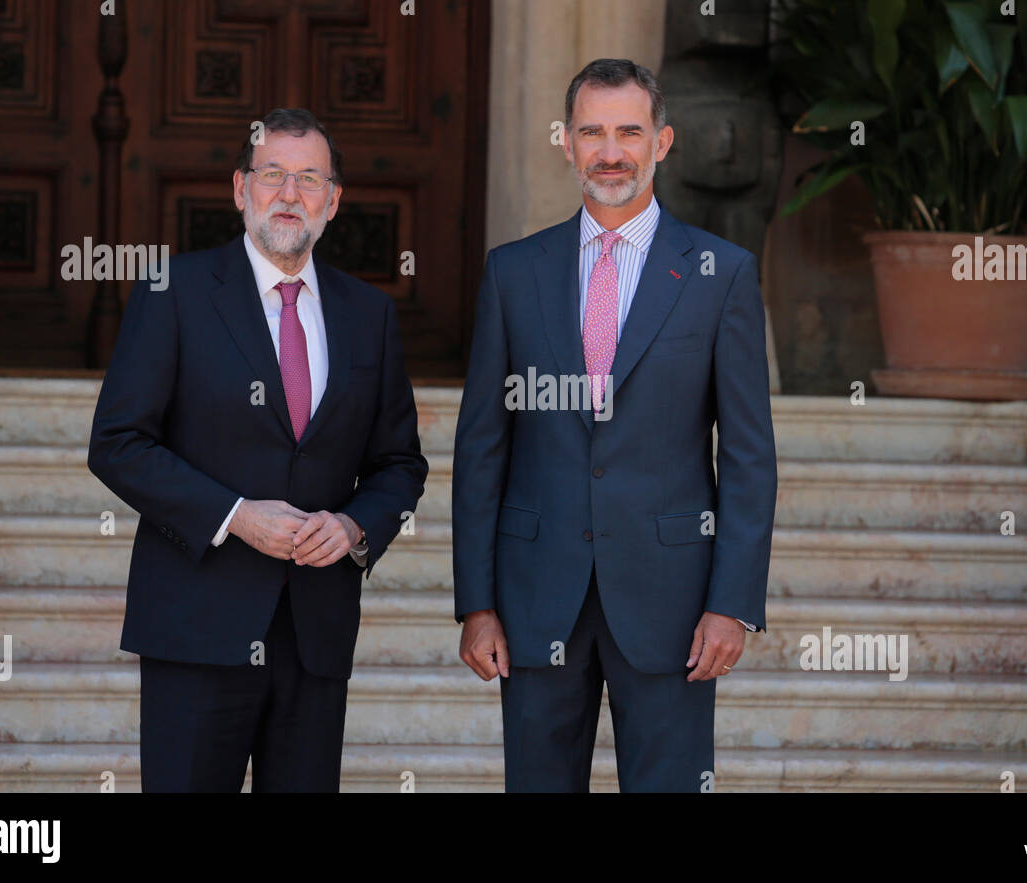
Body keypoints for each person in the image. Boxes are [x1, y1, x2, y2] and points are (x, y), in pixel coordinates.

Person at [452, 59, 778, 792]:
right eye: (592, 131)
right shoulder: (512, 272)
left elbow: (750, 456)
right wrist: (476, 604)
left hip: (674, 602)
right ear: (565, 142)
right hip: (535, 594)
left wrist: (732, 604)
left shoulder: (720, 274)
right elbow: (481, 447)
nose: (610, 151)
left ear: (662, 142)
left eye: (629, 131)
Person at [88, 107, 427, 792]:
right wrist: (236, 514)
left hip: (316, 630)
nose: (289, 193)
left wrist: (356, 525)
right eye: (272, 174)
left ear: (332, 201)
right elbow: (118, 442)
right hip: (197, 622)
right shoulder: (174, 292)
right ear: (240, 189)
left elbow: (399, 461)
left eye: (308, 178)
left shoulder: (370, 314)